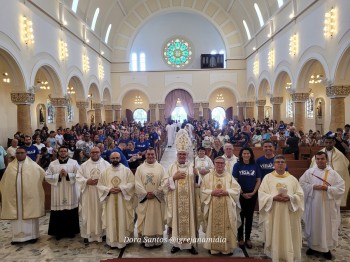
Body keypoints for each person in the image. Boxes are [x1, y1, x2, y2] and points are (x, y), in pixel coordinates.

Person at [299, 151, 345, 260]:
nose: (320, 161)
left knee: (327, 226)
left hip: (328, 207)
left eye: (322, 159)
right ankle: (313, 246)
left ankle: (326, 248)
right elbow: (301, 184)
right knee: (314, 224)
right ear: (315, 160)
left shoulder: (333, 173)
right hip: (313, 205)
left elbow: (341, 188)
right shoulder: (309, 172)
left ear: (326, 160)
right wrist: (313, 186)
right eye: (318, 159)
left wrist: (327, 188)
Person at [258, 155, 304, 262]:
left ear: (285, 164)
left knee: (289, 233)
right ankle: (274, 254)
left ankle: (288, 254)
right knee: (274, 232)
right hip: (274, 211)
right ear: (273, 165)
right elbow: (261, 194)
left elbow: (300, 195)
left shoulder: (292, 179)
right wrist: (273, 198)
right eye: (277, 162)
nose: (280, 164)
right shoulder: (267, 178)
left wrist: (290, 198)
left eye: (282, 162)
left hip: (289, 213)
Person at [162, 129, 198, 255]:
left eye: (184, 154)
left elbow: (199, 184)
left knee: (190, 221)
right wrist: (173, 178)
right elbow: (164, 183)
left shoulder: (192, 167)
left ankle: (191, 244)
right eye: (180, 154)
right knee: (177, 221)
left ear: (187, 155)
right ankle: (176, 244)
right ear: (177, 155)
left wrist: (197, 176)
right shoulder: (172, 167)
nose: (182, 156)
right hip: (176, 201)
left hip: (190, 202)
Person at [0, 147, 45, 244]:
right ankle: (16, 238)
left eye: (22, 153)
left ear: (26, 153)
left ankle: (33, 236)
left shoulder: (33, 165)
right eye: (18, 153)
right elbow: (4, 181)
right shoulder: (10, 166)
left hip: (29, 196)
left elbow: (43, 175)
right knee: (17, 216)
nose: (19, 154)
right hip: (14, 197)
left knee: (30, 214)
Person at [201, 156, 241, 255]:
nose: (219, 165)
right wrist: (212, 192)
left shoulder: (229, 176)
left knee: (227, 226)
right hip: (212, 208)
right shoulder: (207, 176)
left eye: (221, 163)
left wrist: (227, 191)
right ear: (214, 164)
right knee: (212, 226)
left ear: (224, 164)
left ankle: (226, 248)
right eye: (217, 163)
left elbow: (237, 189)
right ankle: (213, 248)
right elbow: (202, 190)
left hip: (227, 208)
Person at [97, 152, 135, 249]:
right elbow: (100, 185)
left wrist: (122, 189)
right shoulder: (105, 172)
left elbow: (132, 183)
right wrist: (108, 190)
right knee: (111, 219)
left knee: (124, 218)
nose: (115, 159)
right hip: (110, 200)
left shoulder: (126, 170)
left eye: (117, 158)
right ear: (110, 159)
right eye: (113, 158)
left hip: (123, 201)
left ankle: (124, 240)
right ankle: (112, 242)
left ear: (120, 158)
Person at [45, 146, 80, 240]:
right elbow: (47, 176)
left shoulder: (74, 162)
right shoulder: (53, 164)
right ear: (58, 152)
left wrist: (68, 175)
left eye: (65, 151)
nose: (63, 153)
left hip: (70, 190)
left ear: (68, 153)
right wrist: (58, 175)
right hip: (57, 191)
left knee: (70, 210)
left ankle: (71, 231)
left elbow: (79, 175)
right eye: (61, 151)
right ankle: (58, 233)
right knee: (58, 211)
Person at [76, 146, 110, 243]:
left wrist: (101, 182)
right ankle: (87, 235)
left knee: (101, 213)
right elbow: (78, 177)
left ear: (100, 153)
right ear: (90, 153)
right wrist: (87, 181)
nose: (95, 154)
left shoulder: (106, 164)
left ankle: (102, 234)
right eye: (93, 152)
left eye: (97, 152)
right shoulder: (84, 165)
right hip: (88, 194)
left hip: (101, 194)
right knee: (87, 213)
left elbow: (110, 177)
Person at [135, 148, 166, 248]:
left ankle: (157, 240)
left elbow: (164, 183)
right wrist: (145, 194)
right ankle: (146, 240)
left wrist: (156, 192)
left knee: (157, 219)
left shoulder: (161, 168)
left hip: (157, 200)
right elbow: (137, 183)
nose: (150, 156)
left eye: (152, 154)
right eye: (148, 154)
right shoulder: (140, 168)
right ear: (145, 155)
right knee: (144, 219)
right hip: (145, 199)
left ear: (155, 155)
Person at [233, 147, 261, 248]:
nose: (246, 155)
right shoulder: (237, 165)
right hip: (240, 195)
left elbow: (258, 180)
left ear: (251, 155)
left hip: (252, 195)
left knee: (249, 217)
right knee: (240, 216)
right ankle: (240, 238)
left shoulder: (255, 165)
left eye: (248, 153)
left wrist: (253, 192)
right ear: (241, 155)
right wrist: (242, 192)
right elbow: (235, 180)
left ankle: (248, 238)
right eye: (244, 153)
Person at [310, 136, 349, 207]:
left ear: (334, 142)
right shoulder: (319, 153)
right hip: (321, 178)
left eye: (330, 142)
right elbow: (313, 167)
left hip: (333, 179)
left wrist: (334, 172)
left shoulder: (339, 155)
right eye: (326, 142)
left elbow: (345, 165)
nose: (328, 144)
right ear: (324, 142)